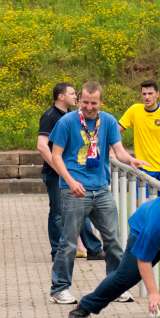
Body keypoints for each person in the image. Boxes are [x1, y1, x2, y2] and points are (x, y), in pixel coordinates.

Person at [47, 81, 147, 305]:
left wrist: (131, 161)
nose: (89, 107)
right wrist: (70, 181)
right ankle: (59, 288)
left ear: (101, 102)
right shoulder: (67, 122)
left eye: (94, 103)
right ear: (80, 100)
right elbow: (56, 156)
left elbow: (118, 151)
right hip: (74, 190)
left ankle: (116, 286)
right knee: (69, 242)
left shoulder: (109, 121)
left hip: (101, 189)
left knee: (113, 240)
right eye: (85, 102)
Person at [37, 82, 104, 262]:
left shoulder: (72, 116)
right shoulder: (50, 116)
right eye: (73, 94)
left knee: (83, 209)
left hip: (73, 174)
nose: (76, 97)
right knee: (58, 213)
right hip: (55, 174)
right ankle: (57, 251)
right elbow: (42, 146)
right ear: (61, 96)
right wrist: (59, 169)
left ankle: (93, 248)